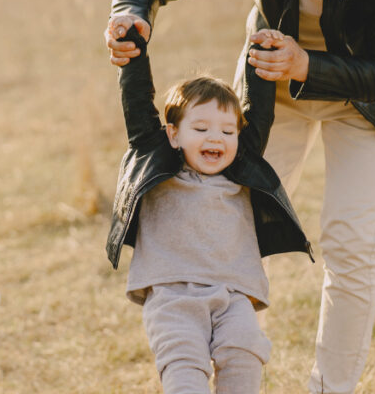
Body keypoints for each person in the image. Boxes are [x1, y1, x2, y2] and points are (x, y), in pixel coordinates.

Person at [104, 0, 375, 392]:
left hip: (366, 99)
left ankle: (331, 388)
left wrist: (306, 63)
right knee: (236, 235)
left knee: (352, 245)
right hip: (268, 91)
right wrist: (128, 13)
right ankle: (237, 373)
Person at [107, 27, 313, 393]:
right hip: (173, 297)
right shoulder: (159, 165)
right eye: (200, 128)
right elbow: (138, 105)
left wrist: (261, 50)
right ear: (173, 134)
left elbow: (259, 112)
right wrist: (133, 50)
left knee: (246, 353)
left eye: (227, 131)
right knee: (185, 366)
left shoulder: (242, 169)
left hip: (234, 296)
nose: (216, 138)